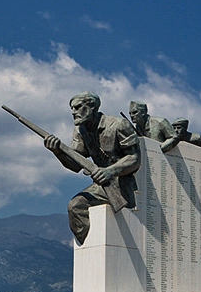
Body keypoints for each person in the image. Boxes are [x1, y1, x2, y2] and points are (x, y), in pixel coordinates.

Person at [45, 92, 140, 244]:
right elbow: (75, 164)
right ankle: (88, 247)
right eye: (72, 108)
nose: (73, 112)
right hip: (101, 185)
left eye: (77, 107)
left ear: (92, 107)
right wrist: (57, 152)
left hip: (122, 184)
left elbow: (134, 159)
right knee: (74, 206)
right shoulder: (80, 130)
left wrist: (109, 171)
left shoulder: (118, 124)